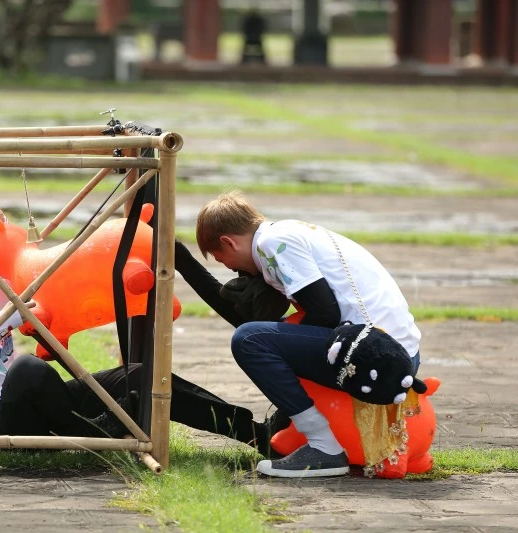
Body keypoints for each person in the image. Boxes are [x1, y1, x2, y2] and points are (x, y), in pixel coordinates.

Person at [0, 207, 286, 454]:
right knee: (28, 370)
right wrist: (3, 325)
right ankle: (95, 436)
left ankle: (256, 435)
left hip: (37, 405)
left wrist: (0, 228)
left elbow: (17, 273)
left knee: (138, 375)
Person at [177, 190, 421, 478]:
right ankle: (312, 440)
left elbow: (324, 314)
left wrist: (281, 348)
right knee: (261, 336)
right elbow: (249, 316)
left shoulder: (273, 244)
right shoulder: (286, 233)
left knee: (249, 340)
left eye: (224, 260)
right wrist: (181, 259)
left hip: (378, 359)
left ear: (228, 242)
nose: (232, 269)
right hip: (390, 351)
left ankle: (324, 447)